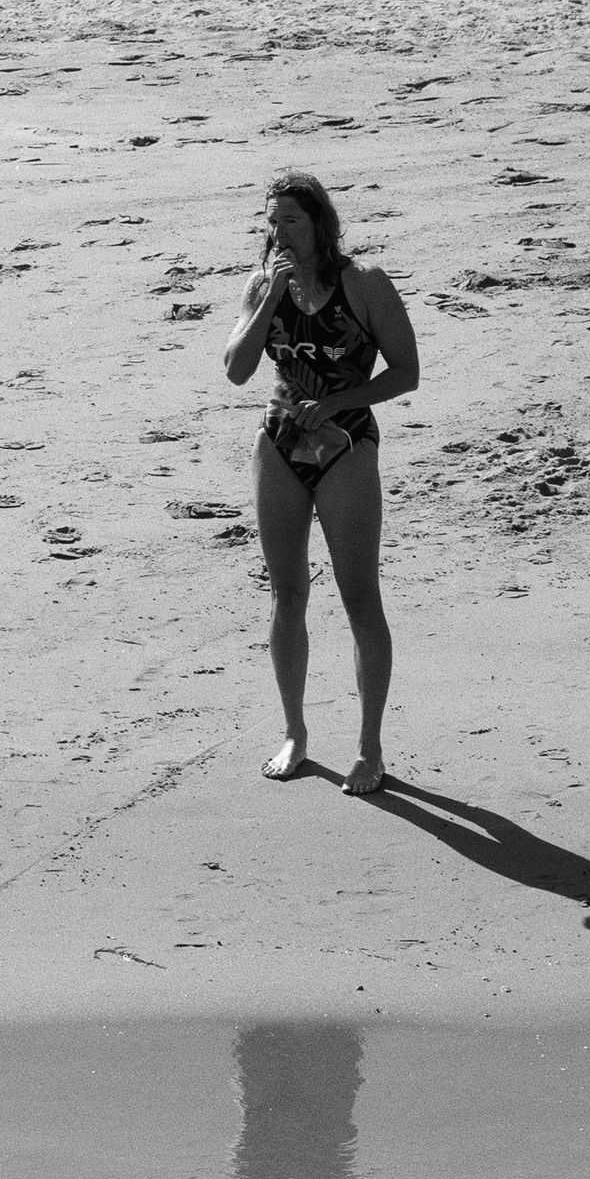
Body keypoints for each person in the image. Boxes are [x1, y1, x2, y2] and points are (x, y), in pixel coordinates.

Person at [222, 172, 420, 796]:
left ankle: (369, 748)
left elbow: (407, 372)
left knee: (360, 598)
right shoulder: (264, 284)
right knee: (287, 595)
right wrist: (272, 297)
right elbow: (236, 370)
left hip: (346, 445)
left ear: (320, 225)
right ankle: (295, 733)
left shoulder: (364, 284)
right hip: (280, 443)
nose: (279, 232)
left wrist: (337, 404)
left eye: (292, 221)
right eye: (272, 221)